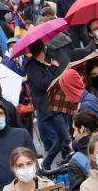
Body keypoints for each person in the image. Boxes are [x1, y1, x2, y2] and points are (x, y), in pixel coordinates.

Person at [25, 41, 70, 173]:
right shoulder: (32, 67)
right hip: (48, 108)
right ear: (41, 50)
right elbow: (43, 84)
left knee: (62, 137)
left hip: (56, 105)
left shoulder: (41, 65)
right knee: (65, 137)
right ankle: (57, 162)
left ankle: (51, 162)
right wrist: (54, 68)